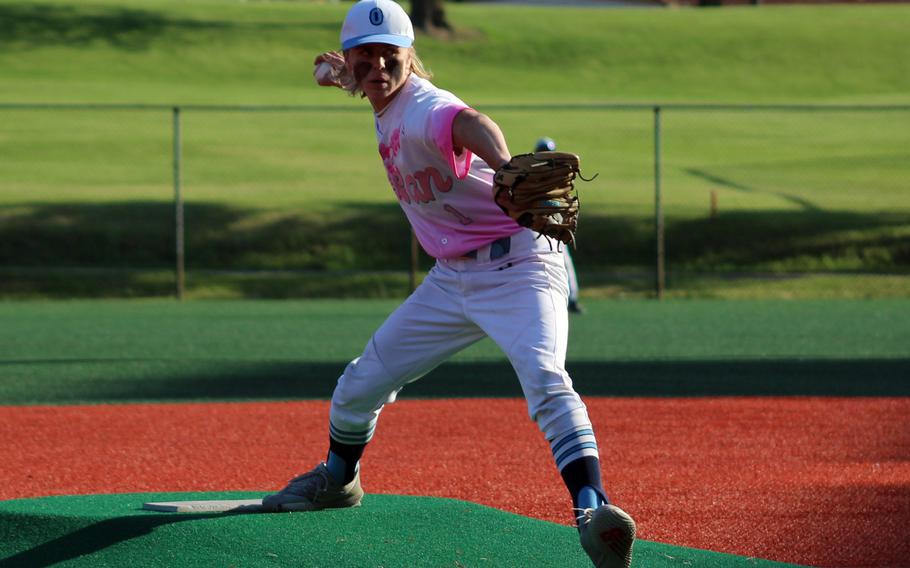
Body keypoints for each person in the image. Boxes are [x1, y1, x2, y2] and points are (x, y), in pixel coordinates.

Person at [263, 2, 635, 566]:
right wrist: (335, 71)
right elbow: (350, 72)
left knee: (544, 376)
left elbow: (470, 122)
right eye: (368, 57)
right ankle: (339, 479)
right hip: (451, 276)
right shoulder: (370, 82)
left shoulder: (425, 107)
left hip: (520, 268)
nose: (379, 67)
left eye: (391, 55)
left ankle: (593, 510)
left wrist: (505, 162)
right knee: (359, 385)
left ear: (411, 57)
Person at [535, 136, 585, 315]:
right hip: (538, 225)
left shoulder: (559, 175)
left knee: (565, 261)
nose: (546, 155)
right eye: (543, 152)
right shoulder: (531, 174)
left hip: (555, 224)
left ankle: (571, 300)